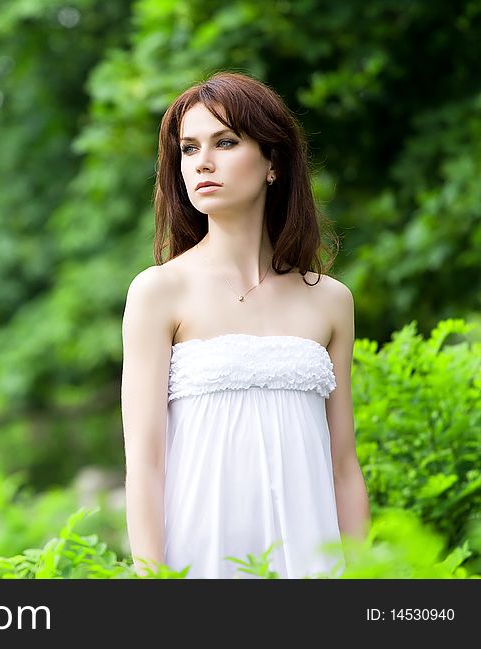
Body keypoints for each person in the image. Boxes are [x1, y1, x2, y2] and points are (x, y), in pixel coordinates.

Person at [120, 71, 370, 579]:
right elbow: (145, 467)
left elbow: (343, 466)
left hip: (312, 559)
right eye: (189, 149)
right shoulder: (159, 291)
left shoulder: (330, 301)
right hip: (201, 558)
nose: (202, 162)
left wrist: (367, 584)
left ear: (272, 162)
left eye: (225, 142)